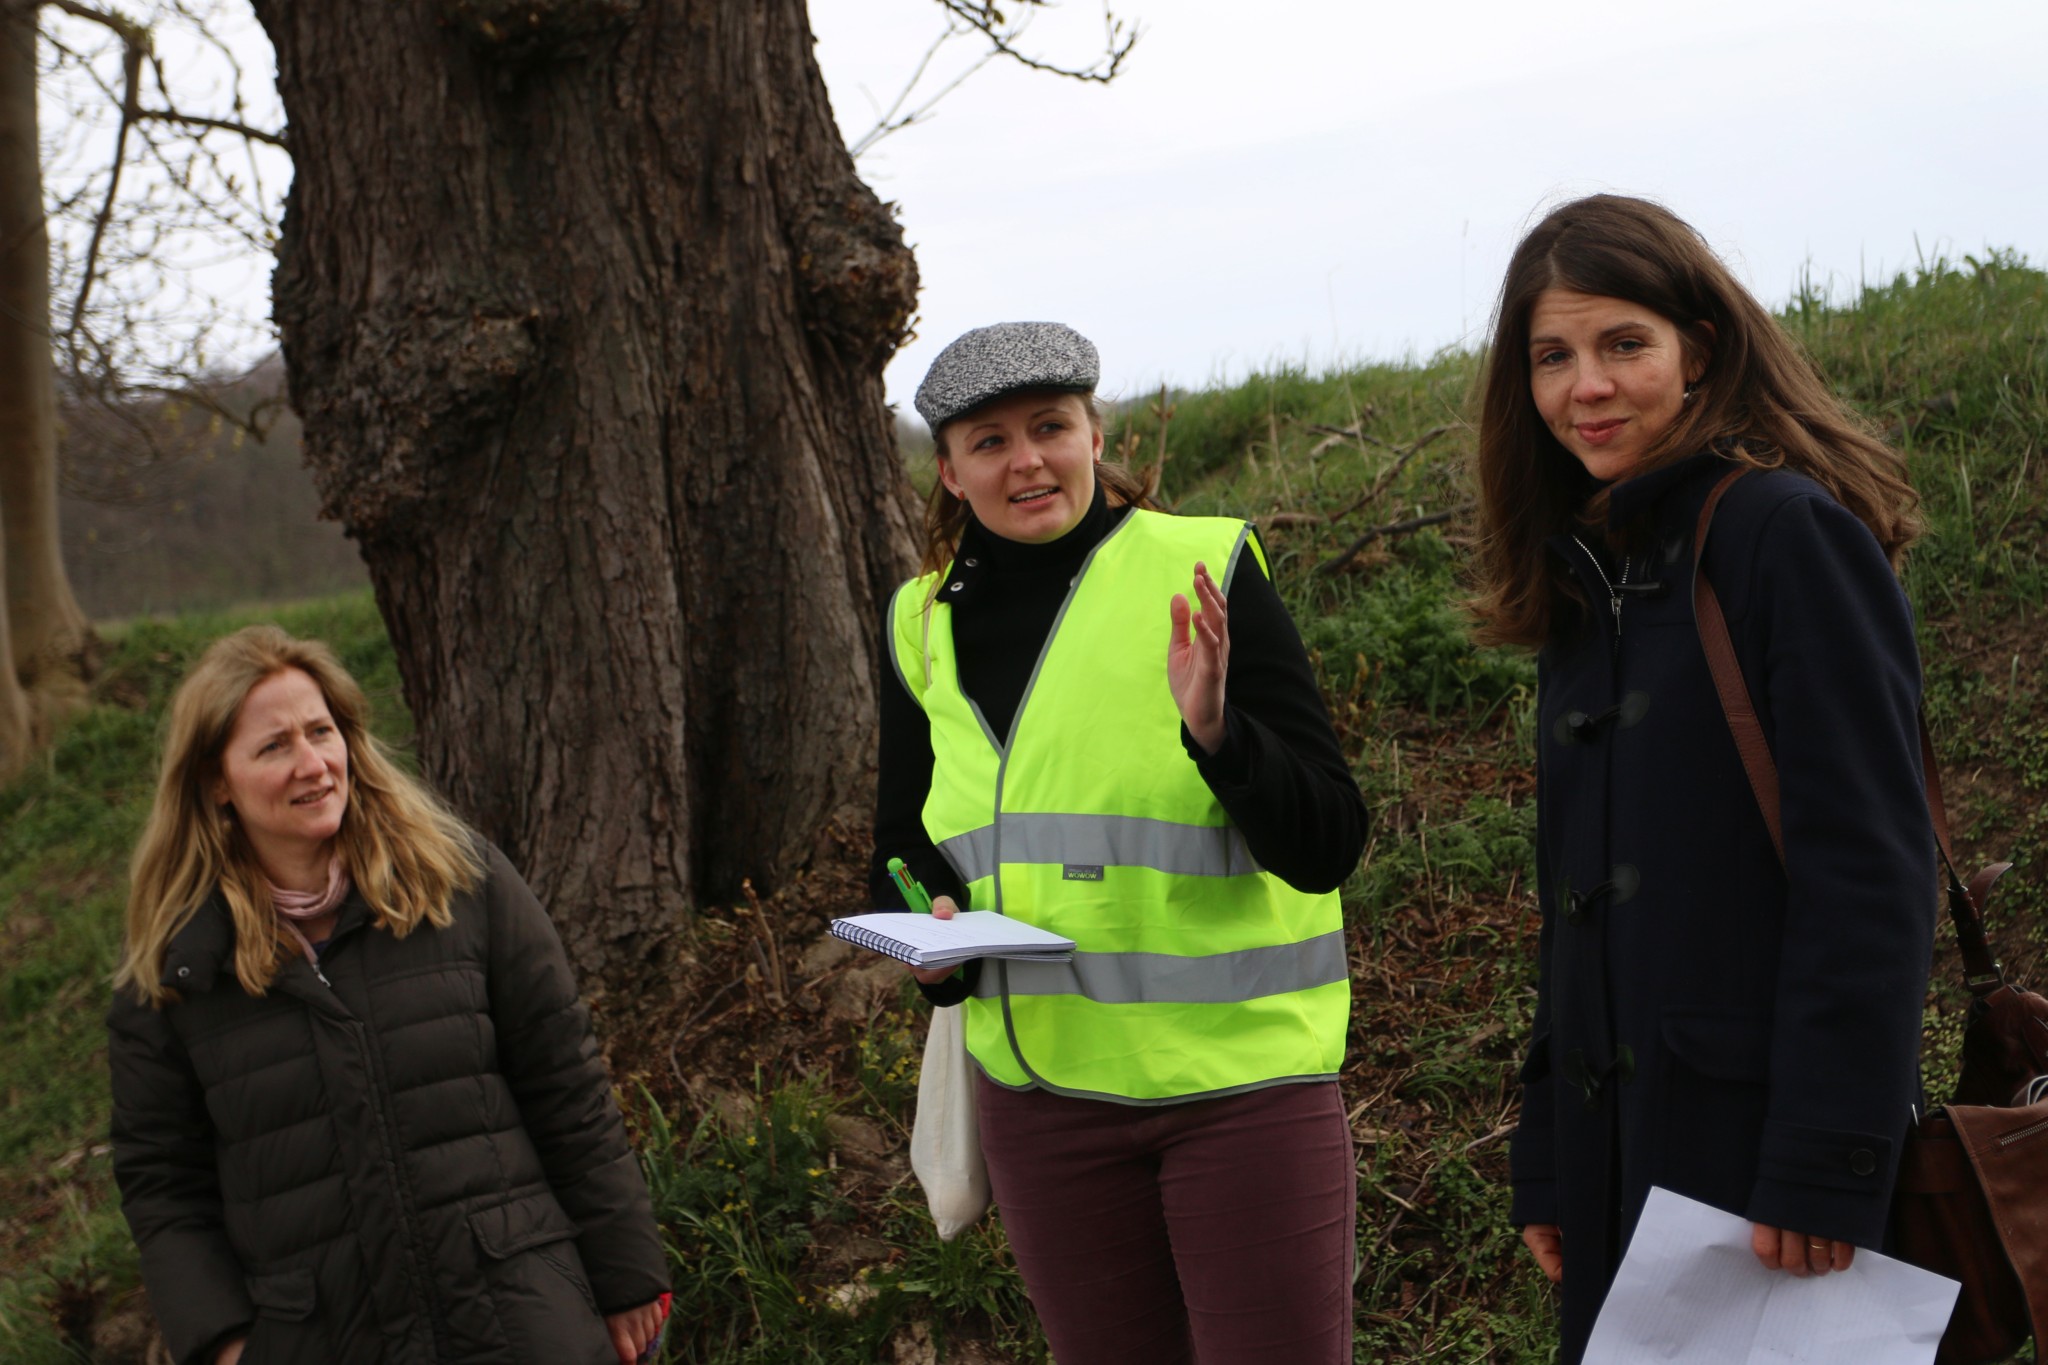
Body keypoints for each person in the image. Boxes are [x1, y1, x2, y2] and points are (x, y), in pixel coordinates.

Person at [1471, 195, 1935, 1362]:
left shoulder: (1783, 534)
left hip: (1762, 1168)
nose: (1586, 385)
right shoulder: (1591, 566)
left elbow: (1869, 869)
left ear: (1699, 350)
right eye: (1551, 356)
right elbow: (1568, 910)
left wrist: (1826, 1159)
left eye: (1622, 344)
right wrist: (1545, 1152)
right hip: (1612, 1157)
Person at [870, 321, 1371, 1364]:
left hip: (1240, 1095)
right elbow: (901, 850)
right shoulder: (919, 623)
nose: (1027, 460)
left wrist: (1219, 737)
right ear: (950, 474)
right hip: (1043, 1105)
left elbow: (1325, 842)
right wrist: (934, 945)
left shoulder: (1202, 566)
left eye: (1050, 427)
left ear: (1094, 434)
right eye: (989, 441)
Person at [108, 626, 671, 1365]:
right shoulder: (174, 973)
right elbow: (162, 1184)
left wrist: (626, 1273)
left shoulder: (465, 886)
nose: (312, 763)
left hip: (524, 1321)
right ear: (217, 780)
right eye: (274, 746)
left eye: (321, 731)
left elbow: (566, 1083)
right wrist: (223, 1340)